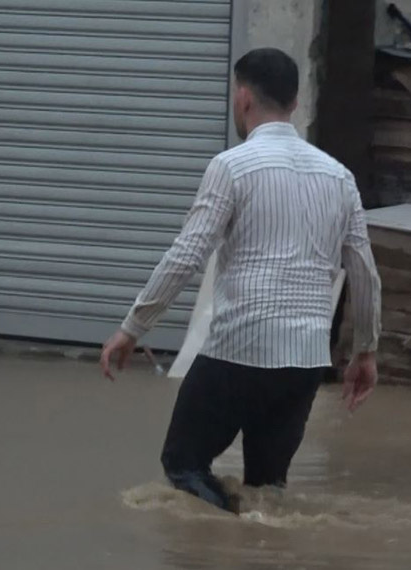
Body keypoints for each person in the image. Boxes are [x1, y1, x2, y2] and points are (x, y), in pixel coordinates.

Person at [99, 48, 381, 513]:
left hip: (241, 348)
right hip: (305, 360)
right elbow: (364, 273)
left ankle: (223, 539)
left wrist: (133, 328)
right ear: (294, 103)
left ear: (244, 98)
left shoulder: (232, 167)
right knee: (267, 488)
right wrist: (365, 351)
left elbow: (187, 255)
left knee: (184, 465)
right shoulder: (340, 178)